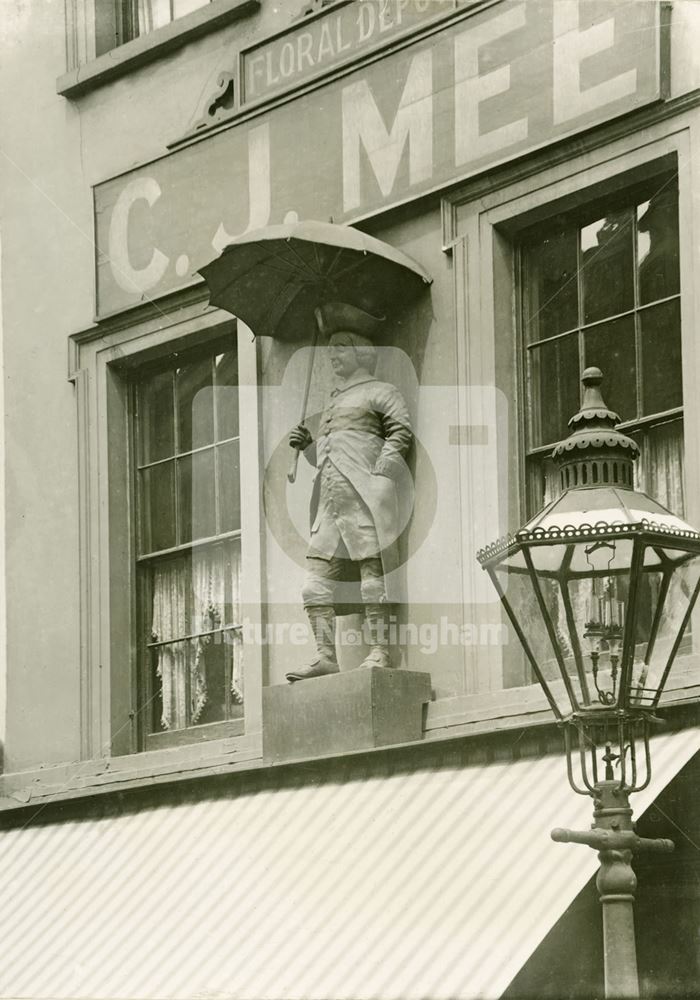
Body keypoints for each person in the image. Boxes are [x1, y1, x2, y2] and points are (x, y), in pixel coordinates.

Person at [285, 301, 413, 682]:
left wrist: (381, 471)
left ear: (359, 351)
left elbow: (400, 432)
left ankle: (378, 651)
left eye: (340, 348)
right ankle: (326, 656)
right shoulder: (331, 403)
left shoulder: (380, 392)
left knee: (374, 574)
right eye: (330, 350)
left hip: (363, 496)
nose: (332, 357)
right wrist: (307, 445)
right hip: (329, 503)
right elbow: (330, 454)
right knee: (313, 585)